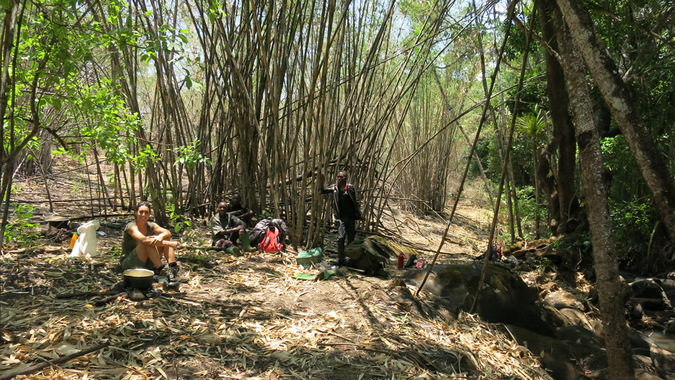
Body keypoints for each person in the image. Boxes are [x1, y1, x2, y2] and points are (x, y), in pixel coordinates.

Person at [120, 201, 181, 278]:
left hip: (147, 262)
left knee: (165, 237)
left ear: (149, 214)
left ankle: (173, 268)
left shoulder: (150, 225)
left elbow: (167, 232)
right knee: (147, 242)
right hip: (130, 263)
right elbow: (143, 240)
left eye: (146, 212)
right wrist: (168, 243)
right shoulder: (131, 226)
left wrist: (160, 237)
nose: (143, 215)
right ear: (136, 212)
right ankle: (162, 270)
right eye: (141, 212)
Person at [318, 170, 363, 266]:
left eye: (341, 177)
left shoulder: (350, 188)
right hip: (341, 218)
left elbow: (355, 202)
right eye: (338, 176)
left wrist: (359, 214)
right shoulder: (334, 188)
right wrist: (321, 179)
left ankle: (351, 259)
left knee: (351, 239)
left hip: (351, 217)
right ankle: (341, 259)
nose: (339, 178)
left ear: (345, 178)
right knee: (341, 237)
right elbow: (321, 191)